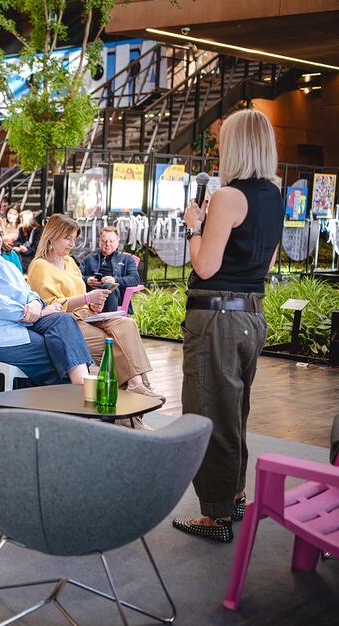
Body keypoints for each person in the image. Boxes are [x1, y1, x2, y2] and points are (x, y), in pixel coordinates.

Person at [171, 110, 285, 543]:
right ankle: (234, 493)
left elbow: (205, 264)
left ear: (235, 145)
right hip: (251, 314)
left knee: (209, 413)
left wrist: (192, 228)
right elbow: (266, 262)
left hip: (217, 317)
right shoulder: (273, 196)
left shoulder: (228, 197)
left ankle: (215, 515)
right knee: (235, 409)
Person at [27, 214, 162, 399]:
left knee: (126, 324)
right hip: (66, 321)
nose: (71, 244)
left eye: (73, 239)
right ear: (51, 237)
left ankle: (136, 385)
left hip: (87, 315)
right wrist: (86, 298)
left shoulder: (69, 262)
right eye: (67, 238)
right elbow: (50, 307)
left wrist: (93, 305)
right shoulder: (40, 266)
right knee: (114, 342)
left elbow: (81, 293)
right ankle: (136, 387)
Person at [0, 211, 93, 386]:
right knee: (50, 349)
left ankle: (82, 385)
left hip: (20, 322)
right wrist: (37, 313)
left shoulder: (6, 265)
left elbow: (29, 292)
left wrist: (34, 303)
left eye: (0, 234)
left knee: (63, 320)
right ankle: (72, 398)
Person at [79, 226, 141, 313]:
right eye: (104, 241)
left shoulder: (127, 259)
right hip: (92, 294)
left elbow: (135, 279)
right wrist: (87, 280)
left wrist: (114, 280)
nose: (107, 244)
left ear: (118, 241)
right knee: (96, 292)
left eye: (111, 241)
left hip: (114, 295)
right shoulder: (89, 259)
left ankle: (108, 321)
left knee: (109, 287)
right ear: (100, 241)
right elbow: (76, 276)